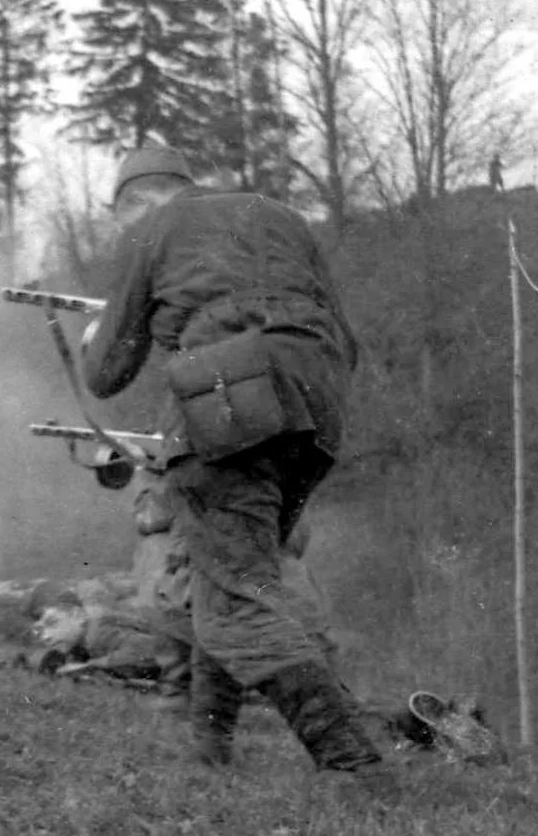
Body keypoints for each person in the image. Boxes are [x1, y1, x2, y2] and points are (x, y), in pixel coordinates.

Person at [80, 146, 390, 788]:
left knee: (235, 606)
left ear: (137, 201)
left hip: (229, 407)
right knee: (229, 578)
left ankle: (352, 763)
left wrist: (93, 339)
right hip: (317, 403)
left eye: (122, 214)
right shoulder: (279, 215)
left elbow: (108, 373)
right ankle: (209, 744)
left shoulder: (151, 230)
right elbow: (346, 340)